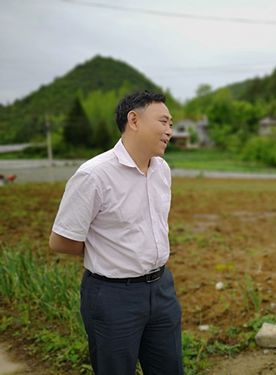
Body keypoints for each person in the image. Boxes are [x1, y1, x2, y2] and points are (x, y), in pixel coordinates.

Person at [49, 91, 183, 375]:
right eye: (164, 122)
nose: (170, 131)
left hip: (161, 289)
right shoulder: (94, 175)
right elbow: (60, 240)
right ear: (133, 120)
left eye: (171, 124)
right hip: (112, 297)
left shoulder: (162, 170)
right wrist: (106, 249)